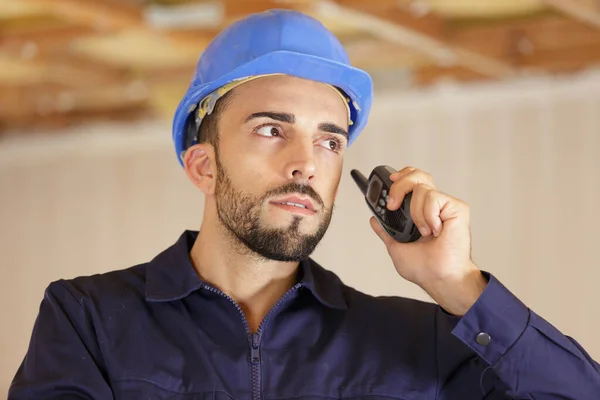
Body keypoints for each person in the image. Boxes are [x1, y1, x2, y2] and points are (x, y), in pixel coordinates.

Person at [8, 9, 600, 400]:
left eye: (329, 139)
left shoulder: (415, 340)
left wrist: (460, 287)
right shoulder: (88, 319)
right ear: (203, 165)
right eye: (271, 129)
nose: (306, 163)